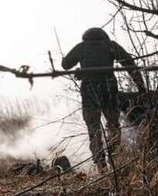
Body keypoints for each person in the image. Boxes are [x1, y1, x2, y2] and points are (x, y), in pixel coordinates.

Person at [61, 27, 146, 171]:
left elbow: (65, 65)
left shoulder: (82, 47)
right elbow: (129, 64)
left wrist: (80, 70)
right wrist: (141, 86)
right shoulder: (110, 45)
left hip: (89, 91)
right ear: (104, 36)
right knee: (113, 125)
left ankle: (100, 165)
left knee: (93, 129)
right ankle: (115, 160)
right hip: (109, 90)